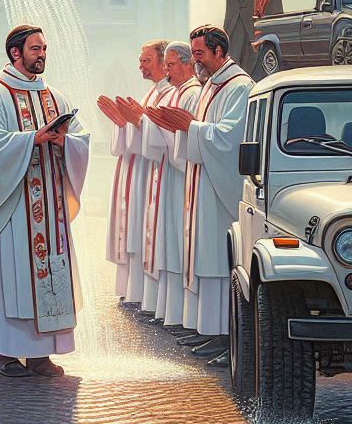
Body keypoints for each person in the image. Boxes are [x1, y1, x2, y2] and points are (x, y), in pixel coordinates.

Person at [0, 25, 91, 379]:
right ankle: (6, 354)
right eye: (35, 49)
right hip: (12, 207)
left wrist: (67, 141)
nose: (42, 55)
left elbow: (80, 138)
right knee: (11, 278)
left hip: (50, 207)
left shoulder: (55, 97)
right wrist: (32, 139)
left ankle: (40, 355)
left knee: (50, 274)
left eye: (44, 49)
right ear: (15, 53)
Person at [152, 26, 253, 367]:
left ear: (219, 51)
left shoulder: (240, 87)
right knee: (205, 259)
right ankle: (211, 329)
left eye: (199, 54)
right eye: (194, 54)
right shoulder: (213, 84)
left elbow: (230, 138)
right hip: (203, 183)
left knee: (219, 262)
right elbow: (203, 131)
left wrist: (190, 128)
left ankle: (230, 337)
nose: (197, 61)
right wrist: (188, 128)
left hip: (218, 189)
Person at [99, 41, 171, 306]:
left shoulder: (169, 94)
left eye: (145, 61)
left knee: (147, 235)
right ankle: (134, 292)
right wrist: (123, 123)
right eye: (140, 61)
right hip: (139, 170)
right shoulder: (151, 94)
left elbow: (160, 138)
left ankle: (147, 298)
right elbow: (138, 132)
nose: (140, 66)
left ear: (163, 63)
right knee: (135, 232)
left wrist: (136, 122)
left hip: (152, 172)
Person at [139, 42, 202, 329]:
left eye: (171, 65)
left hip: (182, 180)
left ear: (187, 63)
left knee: (179, 247)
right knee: (169, 246)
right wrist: (142, 125)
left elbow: (187, 142)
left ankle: (184, 319)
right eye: (166, 65)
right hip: (170, 176)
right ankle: (172, 314)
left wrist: (155, 127)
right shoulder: (177, 92)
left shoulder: (192, 93)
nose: (167, 71)